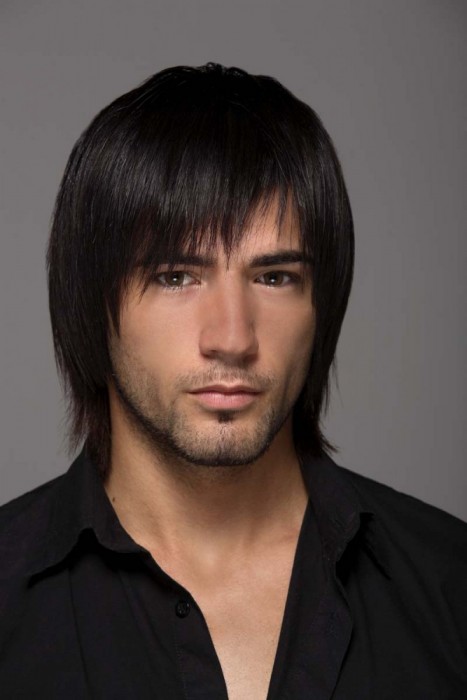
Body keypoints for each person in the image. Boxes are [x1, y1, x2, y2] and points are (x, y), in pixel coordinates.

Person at [0, 63, 465, 700]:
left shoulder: (449, 585)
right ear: (90, 304)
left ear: (322, 306)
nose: (233, 337)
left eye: (274, 278)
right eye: (175, 277)